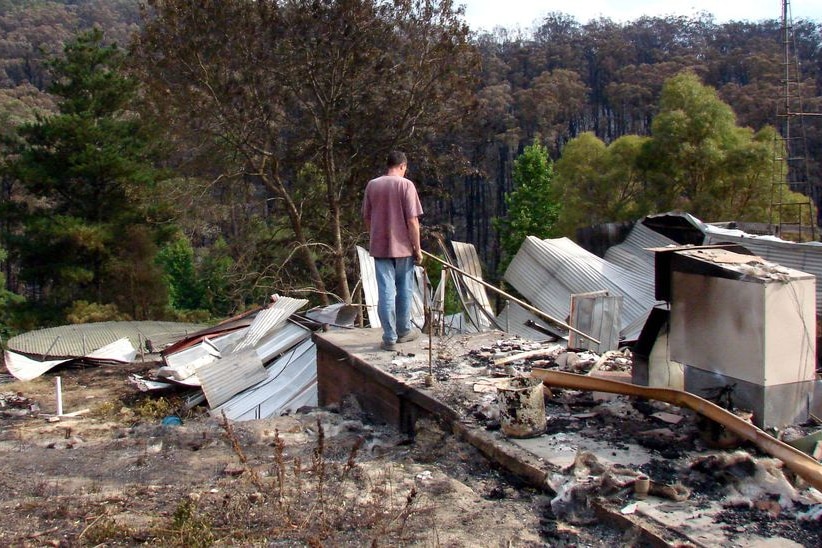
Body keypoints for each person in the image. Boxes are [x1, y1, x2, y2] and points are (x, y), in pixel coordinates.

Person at [362, 151, 424, 351]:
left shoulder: (373, 185)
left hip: (380, 248)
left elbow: (367, 218)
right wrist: (418, 248)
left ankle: (389, 337)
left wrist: (376, 235)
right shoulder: (406, 185)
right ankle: (404, 331)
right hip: (403, 247)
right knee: (404, 290)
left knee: (385, 292)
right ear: (403, 166)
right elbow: (413, 221)